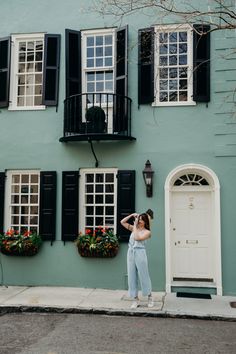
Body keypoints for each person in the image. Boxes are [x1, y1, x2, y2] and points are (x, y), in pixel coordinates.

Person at [120, 212, 154, 309]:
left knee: (144, 275)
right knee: (131, 275)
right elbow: (122, 222)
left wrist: (134, 226)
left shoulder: (147, 232)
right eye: (139, 219)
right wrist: (131, 215)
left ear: (145, 221)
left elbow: (137, 238)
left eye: (141, 219)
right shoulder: (134, 228)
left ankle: (150, 297)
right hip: (130, 253)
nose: (139, 221)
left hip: (140, 253)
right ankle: (135, 299)